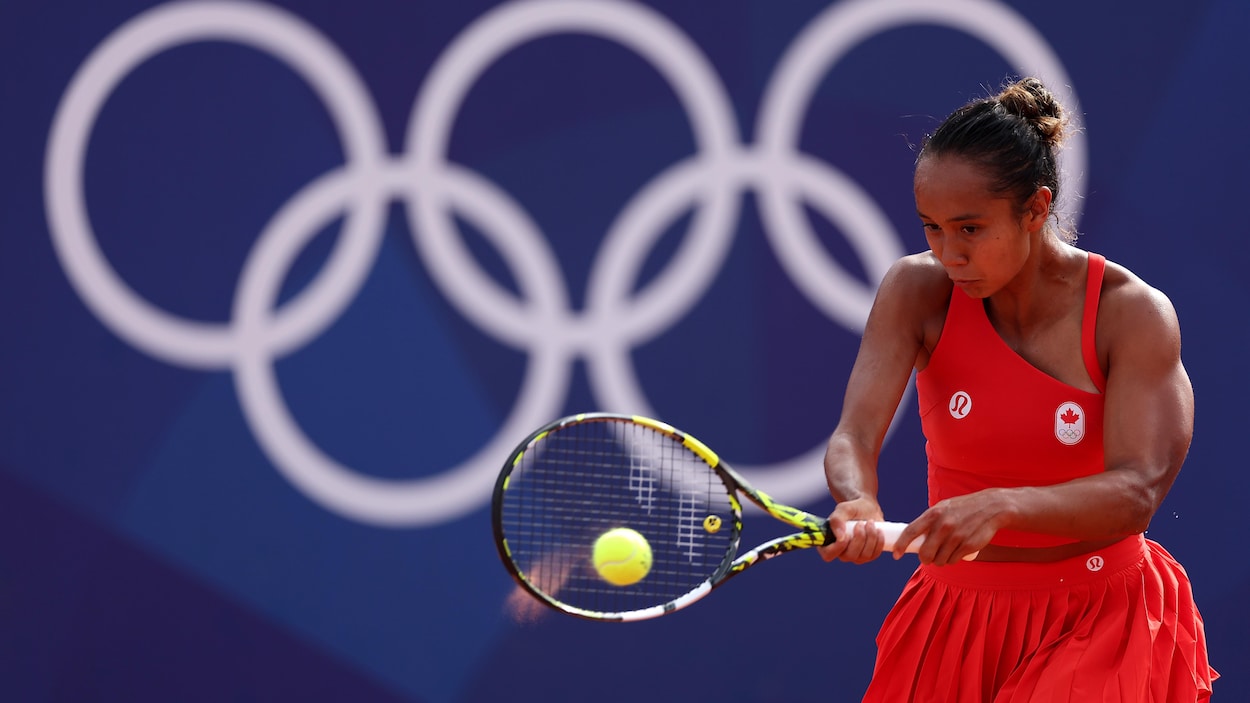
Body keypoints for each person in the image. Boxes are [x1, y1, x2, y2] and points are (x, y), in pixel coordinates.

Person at [817, 76, 1218, 701]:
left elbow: (1138, 490)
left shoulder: (1130, 314)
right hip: (955, 615)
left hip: (1103, 621)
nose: (948, 253)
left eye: (970, 229)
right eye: (932, 228)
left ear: (1035, 208)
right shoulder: (915, 291)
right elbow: (854, 435)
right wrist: (856, 499)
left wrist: (1003, 505)